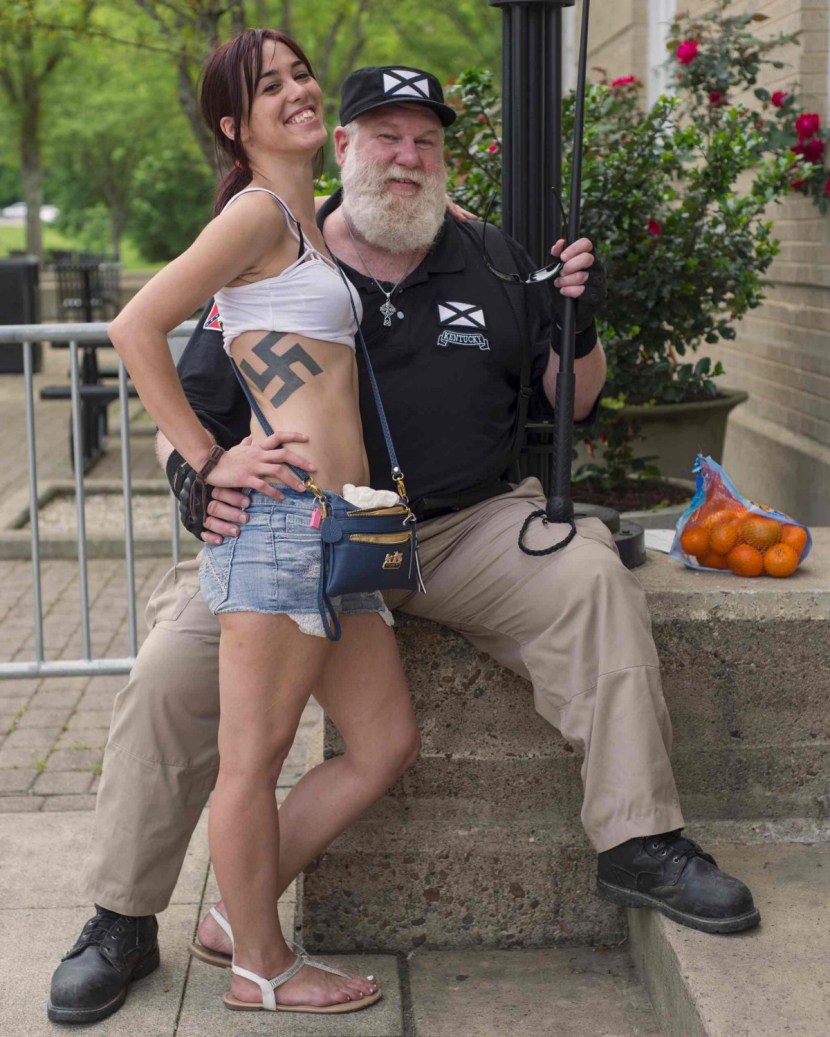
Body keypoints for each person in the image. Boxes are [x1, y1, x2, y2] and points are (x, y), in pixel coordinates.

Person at [48, 61, 759, 1026]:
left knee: (592, 581)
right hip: (300, 527)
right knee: (169, 674)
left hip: (465, 525)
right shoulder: (279, 240)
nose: (406, 157)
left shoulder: (494, 256)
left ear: (443, 159)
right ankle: (121, 917)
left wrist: (577, 315)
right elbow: (199, 388)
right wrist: (200, 476)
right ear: (342, 147)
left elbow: (576, 398)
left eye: (425, 140)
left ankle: (642, 840)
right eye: (384, 136)